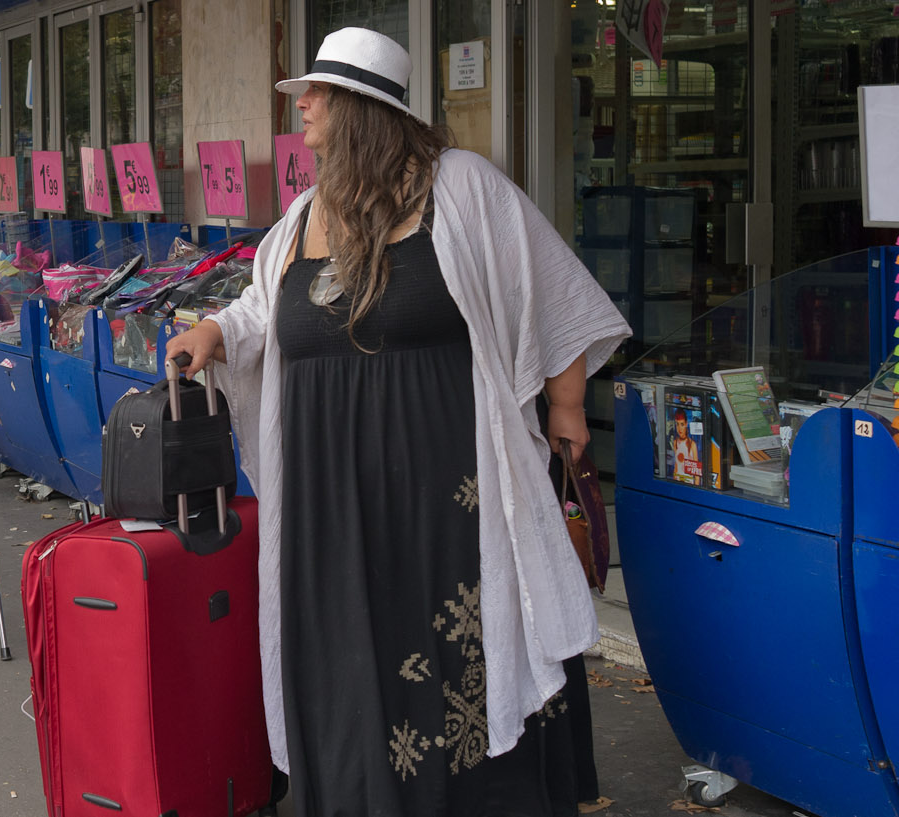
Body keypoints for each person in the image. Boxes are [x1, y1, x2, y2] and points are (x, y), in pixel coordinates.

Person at [164, 28, 630, 816]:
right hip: (324, 494)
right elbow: (262, 303)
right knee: (345, 640)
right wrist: (218, 333)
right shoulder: (305, 214)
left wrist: (566, 407)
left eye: (316, 93)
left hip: (444, 493)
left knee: (450, 642)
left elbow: (554, 295)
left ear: (360, 110)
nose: (301, 105)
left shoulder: (464, 191)